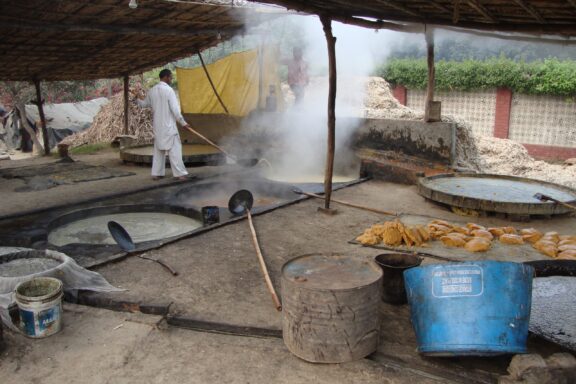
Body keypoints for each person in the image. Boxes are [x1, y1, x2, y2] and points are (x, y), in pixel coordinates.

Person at [136, 69, 190, 180]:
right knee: (175, 150)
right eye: (171, 77)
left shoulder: (152, 90)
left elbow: (143, 104)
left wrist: (136, 98)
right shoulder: (169, 91)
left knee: (159, 151)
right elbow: (175, 110)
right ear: (166, 77)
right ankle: (180, 175)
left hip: (158, 127)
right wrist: (183, 123)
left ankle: (156, 173)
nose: (171, 79)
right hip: (169, 127)